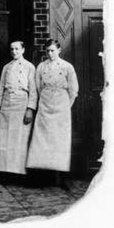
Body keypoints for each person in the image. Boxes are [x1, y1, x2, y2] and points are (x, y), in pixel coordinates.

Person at [26, 39, 79, 188]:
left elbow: (73, 90)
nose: (50, 53)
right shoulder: (41, 67)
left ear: (59, 50)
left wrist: (65, 107)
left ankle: (62, 179)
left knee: (60, 142)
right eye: (48, 51)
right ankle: (44, 179)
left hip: (61, 107)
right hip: (45, 106)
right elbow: (38, 87)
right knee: (42, 141)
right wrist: (44, 101)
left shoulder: (67, 67)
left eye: (52, 51)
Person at [0, 40, 37, 177]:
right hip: (7, 103)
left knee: (19, 138)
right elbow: (1, 86)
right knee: (4, 138)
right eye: (12, 49)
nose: (14, 52)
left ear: (23, 50)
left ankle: (19, 173)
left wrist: (30, 109)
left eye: (17, 49)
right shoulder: (7, 67)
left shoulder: (29, 67)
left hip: (21, 103)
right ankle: (4, 172)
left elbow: (33, 90)